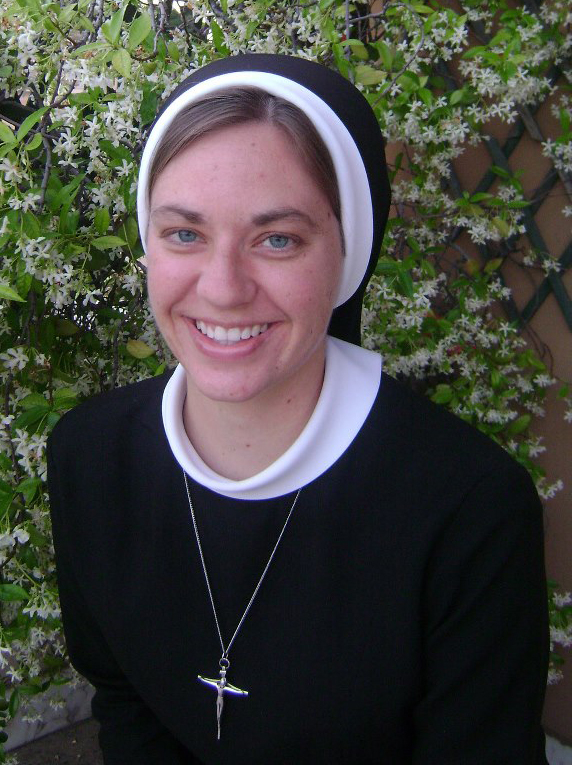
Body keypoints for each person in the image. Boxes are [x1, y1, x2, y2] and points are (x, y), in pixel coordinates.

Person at [47, 54, 549, 764]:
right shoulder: (88, 455)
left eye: (277, 239)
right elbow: (126, 705)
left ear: (347, 254)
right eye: (184, 233)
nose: (222, 289)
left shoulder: (470, 510)